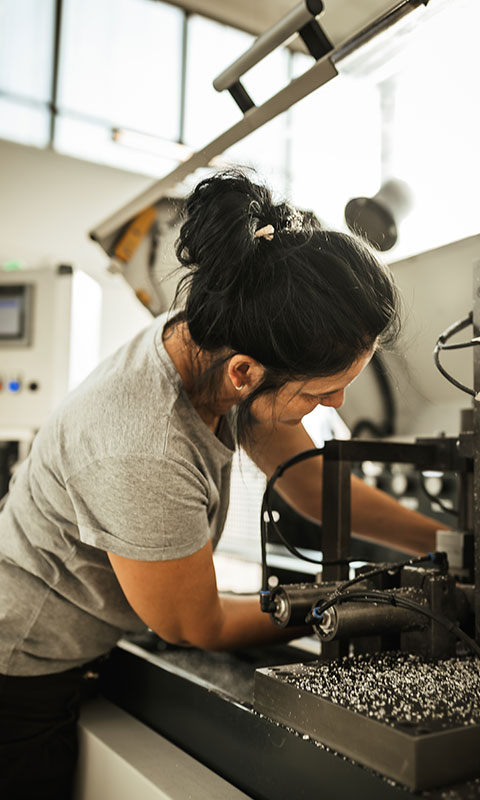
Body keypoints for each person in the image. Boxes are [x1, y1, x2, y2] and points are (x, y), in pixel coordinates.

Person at [0, 170, 441, 799]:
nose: (335, 403)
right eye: (321, 392)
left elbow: (310, 485)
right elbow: (197, 625)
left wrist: (447, 538)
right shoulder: (143, 446)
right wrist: (345, 606)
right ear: (244, 374)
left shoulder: (226, 334)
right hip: (20, 673)